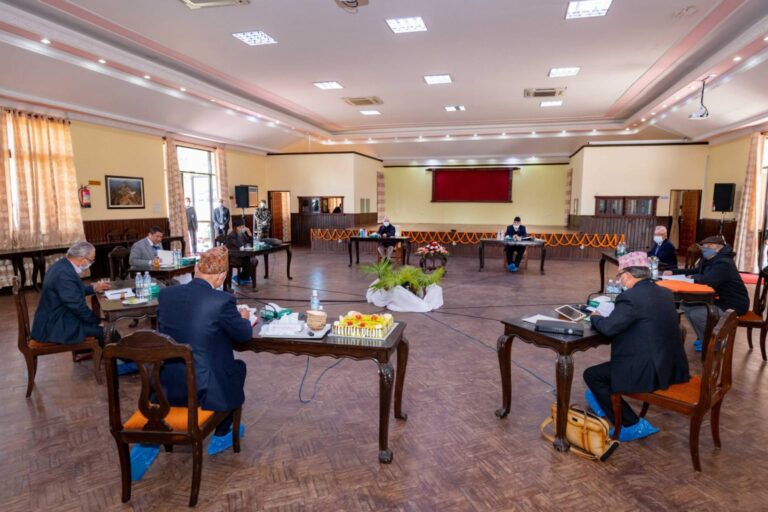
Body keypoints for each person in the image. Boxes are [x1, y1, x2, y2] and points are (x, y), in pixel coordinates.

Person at [130, 247, 252, 480]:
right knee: (238, 369)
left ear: (196, 268)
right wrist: (243, 318)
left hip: (167, 384)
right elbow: (243, 335)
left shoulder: (167, 295)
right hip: (204, 389)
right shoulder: (222, 301)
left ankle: (147, 446)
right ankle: (222, 434)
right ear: (222, 276)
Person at [584, 251, 690, 442]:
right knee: (599, 380)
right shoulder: (665, 292)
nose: (620, 279)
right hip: (670, 365)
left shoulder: (630, 297)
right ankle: (605, 406)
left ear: (627, 274)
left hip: (648, 369)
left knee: (592, 376)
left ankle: (631, 424)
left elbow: (609, 329)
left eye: (620, 275)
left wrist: (595, 317)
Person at [667, 235, 749, 351]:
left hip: (733, 304)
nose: (704, 249)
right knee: (686, 305)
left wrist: (694, 277)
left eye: (707, 247)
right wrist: (673, 272)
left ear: (717, 248)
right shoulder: (710, 259)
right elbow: (696, 271)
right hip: (719, 299)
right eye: (703, 247)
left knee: (697, 314)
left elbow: (707, 281)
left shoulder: (724, 263)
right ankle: (704, 338)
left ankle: (714, 344)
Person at [31, 241, 111, 346]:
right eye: (91, 260)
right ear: (81, 259)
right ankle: (111, 355)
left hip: (58, 316)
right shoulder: (64, 274)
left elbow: (72, 291)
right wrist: (97, 321)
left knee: (105, 326)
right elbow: (77, 306)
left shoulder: (63, 264)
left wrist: (93, 288)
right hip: (54, 326)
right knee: (110, 331)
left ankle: (99, 352)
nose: (91, 263)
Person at [227, 219, 253, 285]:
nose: (242, 228)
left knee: (252, 259)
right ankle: (243, 276)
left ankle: (245, 275)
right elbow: (238, 245)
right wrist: (245, 246)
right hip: (234, 256)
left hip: (242, 254)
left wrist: (249, 234)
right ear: (235, 227)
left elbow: (250, 242)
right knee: (248, 259)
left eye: (243, 227)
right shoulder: (231, 235)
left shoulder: (242, 234)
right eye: (240, 227)